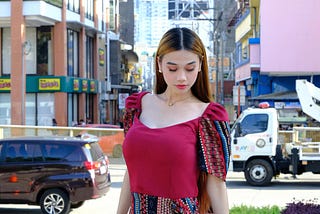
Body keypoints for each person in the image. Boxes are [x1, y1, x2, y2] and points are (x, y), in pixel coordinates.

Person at [117, 27, 231, 214]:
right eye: (172, 68)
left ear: (201, 65)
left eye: (190, 68)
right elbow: (131, 172)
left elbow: (216, 185)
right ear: (159, 64)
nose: (181, 77)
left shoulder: (209, 118)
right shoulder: (137, 106)